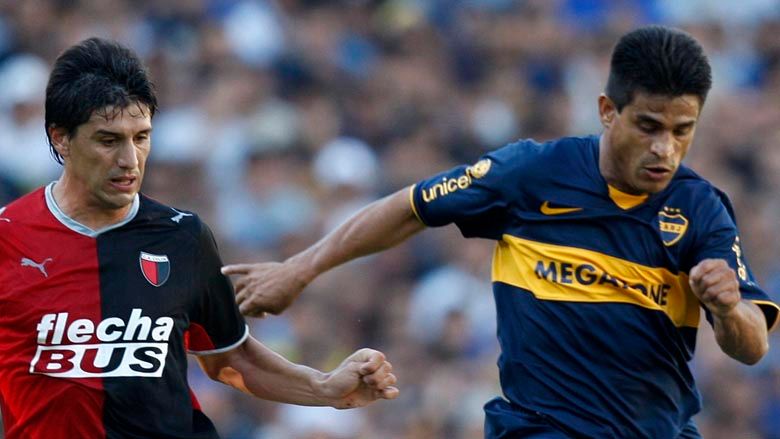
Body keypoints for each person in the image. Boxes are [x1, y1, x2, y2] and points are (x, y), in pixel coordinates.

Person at [223, 25, 779, 438]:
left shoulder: (700, 207)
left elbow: (752, 345)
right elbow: (410, 207)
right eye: (649, 126)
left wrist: (728, 308)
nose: (665, 149)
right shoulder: (533, 173)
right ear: (608, 110)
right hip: (542, 428)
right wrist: (299, 270)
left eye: (682, 131)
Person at [0, 38, 398, 439]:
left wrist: (325, 387)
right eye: (109, 140)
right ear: (61, 138)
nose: (130, 160)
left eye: (141, 137)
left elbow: (232, 359)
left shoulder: (182, 237)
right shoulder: (8, 237)